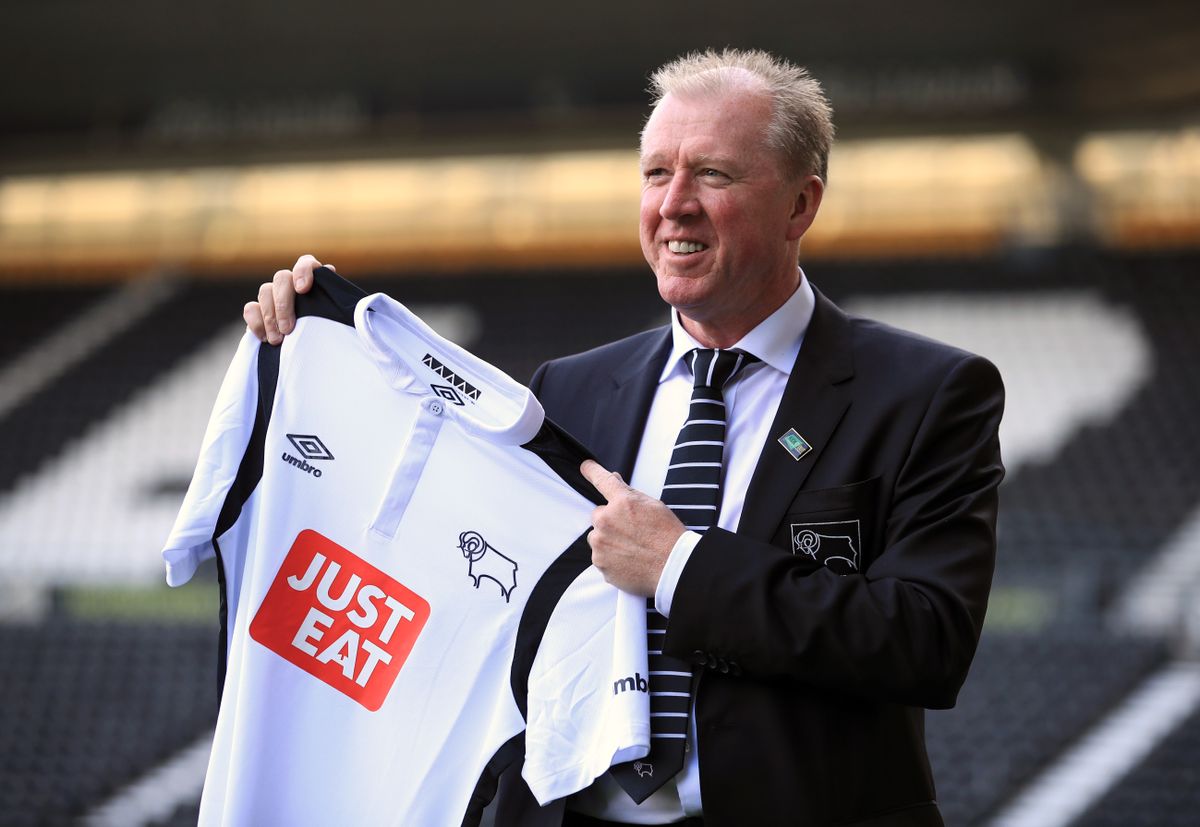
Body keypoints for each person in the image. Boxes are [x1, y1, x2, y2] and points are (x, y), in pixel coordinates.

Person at [244, 49, 1004, 827]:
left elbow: (926, 640)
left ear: (800, 206)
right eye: (654, 174)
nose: (673, 204)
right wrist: (319, 339)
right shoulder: (565, 392)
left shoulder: (926, 394)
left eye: (713, 174)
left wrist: (680, 564)